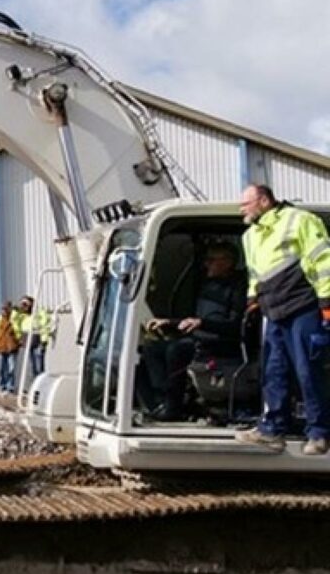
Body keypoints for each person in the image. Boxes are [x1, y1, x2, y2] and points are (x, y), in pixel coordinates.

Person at [234, 184, 330, 454]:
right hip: (274, 311)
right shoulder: (250, 235)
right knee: (273, 372)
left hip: (304, 308)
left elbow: (322, 260)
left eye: (246, 203)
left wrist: (326, 302)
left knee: (308, 370)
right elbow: (256, 272)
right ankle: (272, 430)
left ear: (263, 201)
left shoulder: (300, 220)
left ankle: (319, 433)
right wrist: (253, 299)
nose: (241, 209)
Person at [140, 241, 247, 421]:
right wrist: (169, 322)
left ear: (228, 262)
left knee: (177, 350)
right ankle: (159, 400)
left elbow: (235, 325)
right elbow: (194, 320)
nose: (207, 264)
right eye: (207, 260)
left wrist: (202, 324)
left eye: (212, 260)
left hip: (222, 342)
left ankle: (174, 408)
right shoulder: (208, 286)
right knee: (150, 349)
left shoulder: (238, 289)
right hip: (200, 337)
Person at [14, 296, 52, 378]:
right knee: (32, 365)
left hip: (38, 340)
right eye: (23, 304)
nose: (24, 306)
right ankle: (35, 381)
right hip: (27, 340)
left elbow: (45, 326)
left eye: (26, 304)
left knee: (39, 364)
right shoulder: (21, 315)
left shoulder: (39, 313)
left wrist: (44, 340)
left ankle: (41, 381)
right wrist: (16, 311)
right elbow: (14, 322)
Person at [0, 301, 21, 393]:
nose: (4, 311)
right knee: (1, 369)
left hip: (12, 348)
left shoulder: (15, 320)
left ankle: (10, 387)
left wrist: (17, 344)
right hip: (1, 348)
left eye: (6, 309)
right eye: (3, 309)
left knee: (11, 369)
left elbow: (20, 332)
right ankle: (1, 386)